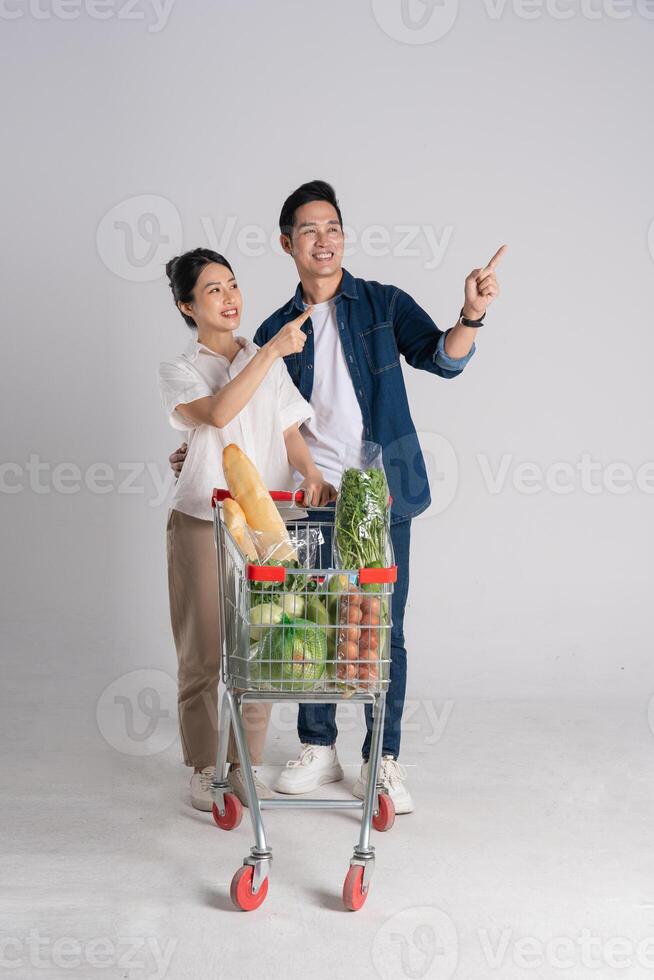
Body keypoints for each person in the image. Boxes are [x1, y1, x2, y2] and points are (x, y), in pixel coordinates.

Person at [169, 181, 506, 814]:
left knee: (382, 626)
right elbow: (255, 418)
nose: (324, 240)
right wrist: (197, 450)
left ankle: (383, 761)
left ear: (342, 237)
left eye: (333, 228)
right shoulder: (272, 331)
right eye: (310, 230)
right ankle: (318, 747)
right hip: (307, 497)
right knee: (318, 625)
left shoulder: (381, 305)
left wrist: (471, 315)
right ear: (286, 243)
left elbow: (443, 358)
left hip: (381, 494)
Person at [159, 247, 336, 811]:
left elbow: (288, 433)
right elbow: (216, 413)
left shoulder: (264, 356)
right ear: (188, 306)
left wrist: (311, 472)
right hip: (201, 521)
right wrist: (269, 354)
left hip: (266, 522)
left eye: (232, 285)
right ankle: (203, 765)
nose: (230, 297)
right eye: (213, 290)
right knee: (204, 652)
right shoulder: (181, 370)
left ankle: (244, 764)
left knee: (265, 645)